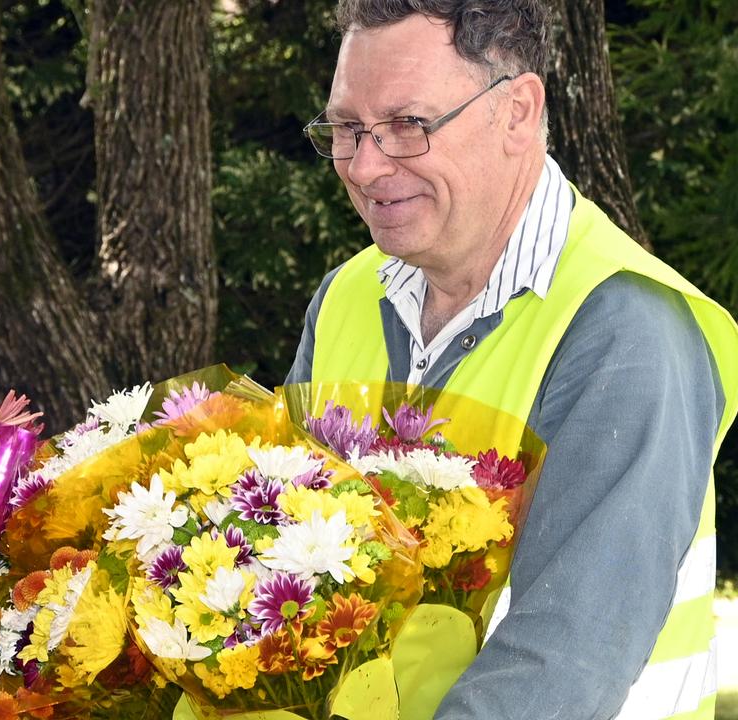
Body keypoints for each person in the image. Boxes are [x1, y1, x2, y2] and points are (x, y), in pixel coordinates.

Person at [286, 1, 737, 718]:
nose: (366, 165)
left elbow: (559, 665)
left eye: (409, 124)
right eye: (347, 128)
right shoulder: (344, 297)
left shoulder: (629, 330)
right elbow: (274, 568)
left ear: (518, 112)